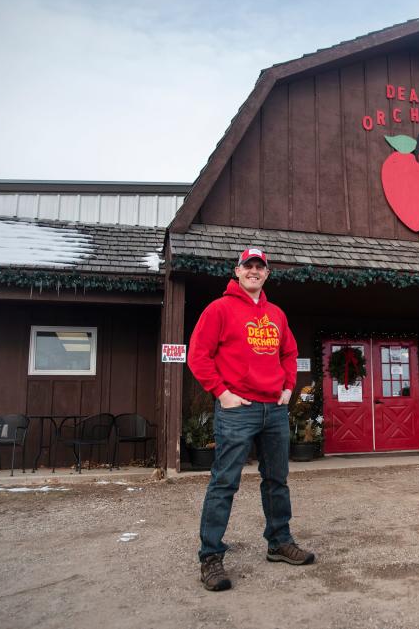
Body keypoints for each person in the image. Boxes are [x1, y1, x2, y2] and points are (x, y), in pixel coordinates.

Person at [187, 247, 315, 592]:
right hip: (237, 409)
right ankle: (210, 556)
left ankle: (278, 542)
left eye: (260, 267)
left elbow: (289, 353)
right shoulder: (219, 309)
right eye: (249, 266)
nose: (254, 271)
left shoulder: (276, 315)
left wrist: (288, 387)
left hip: (273, 409)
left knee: (277, 479)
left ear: (267, 274)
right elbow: (198, 355)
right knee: (224, 481)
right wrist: (222, 393)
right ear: (237, 271)